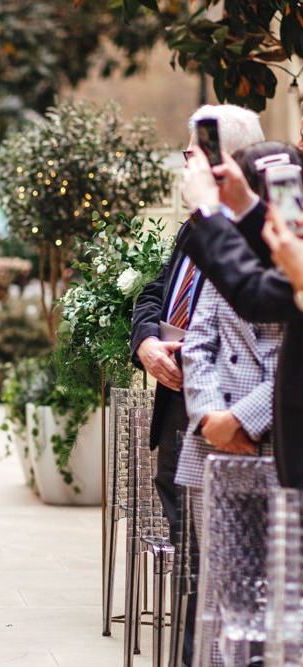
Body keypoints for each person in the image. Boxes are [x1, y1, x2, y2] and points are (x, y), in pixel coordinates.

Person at [130, 104, 263, 664]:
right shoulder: (194, 226)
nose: (183, 163)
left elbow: (267, 331)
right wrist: (146, 344)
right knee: (192, 563)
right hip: (181, 412)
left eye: (190, 153)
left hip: (239, 431)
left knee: (224, 574)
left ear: (218, 160)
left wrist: (226, 415)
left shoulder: (254, 231)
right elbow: (154, 295)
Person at [174, 142, 293, 666]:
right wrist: (208, 418)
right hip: (216, 445)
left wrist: (241, 419)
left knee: (284, 604)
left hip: (279, 440)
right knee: (224, 598)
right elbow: (198, 340)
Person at [180, 145, 303, 489]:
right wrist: (244, 205)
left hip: (275, 440)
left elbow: (257, 294)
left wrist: (207, 212)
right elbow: (199, 340)